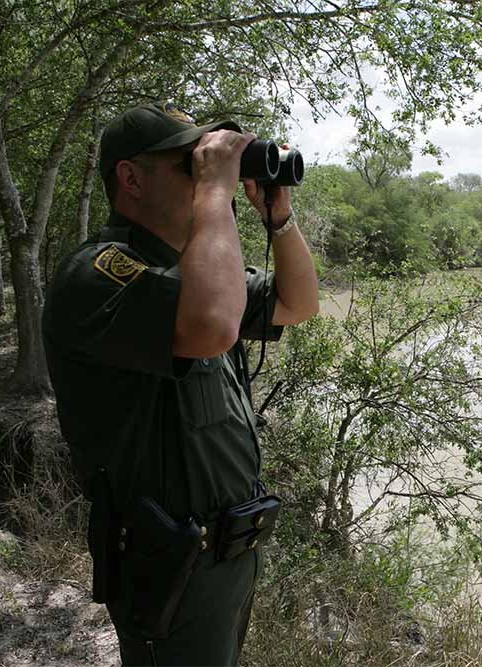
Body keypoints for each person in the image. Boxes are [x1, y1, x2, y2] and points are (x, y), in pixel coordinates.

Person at [42, 100, 319, 666]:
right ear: (131, 177)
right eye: (187, 165)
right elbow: (213, 324)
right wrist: (215, 190)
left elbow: (298, 302)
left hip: (228, 554)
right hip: (167, 561)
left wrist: (279, 220)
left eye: (203, 165)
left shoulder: (194, 270)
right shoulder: (98, 271)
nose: (201, 177)